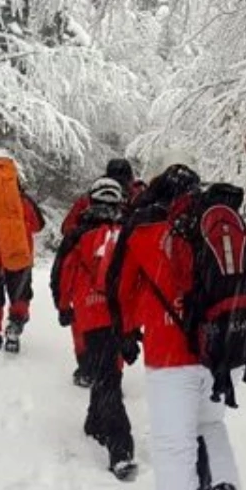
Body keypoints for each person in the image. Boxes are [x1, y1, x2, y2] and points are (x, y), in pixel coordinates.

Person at [106, 155, 246, 490]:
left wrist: (130, 332)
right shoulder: (221, 223)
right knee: (210, 422)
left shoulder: (144, 230)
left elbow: (121, 295)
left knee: (174, 461)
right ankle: (223, 488)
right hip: (225, 353)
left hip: (172, 359)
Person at [51, 178, 137, 480]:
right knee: (109, 376)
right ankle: (107, 436)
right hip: (120, 317)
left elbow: (62, 272)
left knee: (106, 378)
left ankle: (107, 437)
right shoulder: (127, 235)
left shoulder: (78, 235)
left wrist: (63, 306)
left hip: (90, 315)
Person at [60, 158, 146, 385]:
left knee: (84, 319)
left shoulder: (88, 199)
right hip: (123, 273)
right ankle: (112, 373)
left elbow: (67, 229)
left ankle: (87, 368)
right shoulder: (138, 198)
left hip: (88, 271)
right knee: (118, 322)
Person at [0, 167, 45, 355]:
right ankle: (15, 325)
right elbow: (39, 225)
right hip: (19, 256)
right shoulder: (26, 202)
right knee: (20, 295)